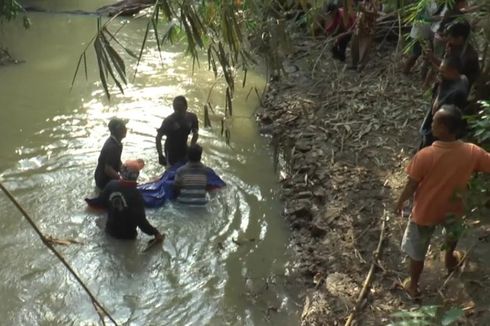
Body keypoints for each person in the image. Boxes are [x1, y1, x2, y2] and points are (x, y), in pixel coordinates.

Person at [395, 105, 490, 299]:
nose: (431, 123)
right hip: (454, 207)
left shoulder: (425, 155)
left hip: (425, 211)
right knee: (452, 233)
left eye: (435, 121)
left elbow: (411, 185)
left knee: (418, 249)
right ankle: (449, 260)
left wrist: (400, 202)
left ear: (445, 129)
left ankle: (413, 285)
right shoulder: (472, 151)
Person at [87, 160, 164, 241]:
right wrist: (155, 233)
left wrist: (88, 201)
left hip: (110, 232)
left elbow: (99, 202)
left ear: (122, 172)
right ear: (136, 175)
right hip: (127, 237)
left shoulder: (111, 185)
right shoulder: (136, 195)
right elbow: (141, 222)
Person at [419, 55, 469, 148]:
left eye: (443, 71)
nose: (439, 73)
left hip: (442, 127)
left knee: (429, 145)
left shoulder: (457, 92)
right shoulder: (458, 78)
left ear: (454, 71)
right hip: (436, 120)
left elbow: (449, 117)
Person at [156, 96, 199, 167]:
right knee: (172, 172)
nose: (177, 110)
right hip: (171, 151)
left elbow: (195, 133)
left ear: (186, 107)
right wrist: (160, 155)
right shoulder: (168, 121)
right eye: (175, 108)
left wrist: (192, 147)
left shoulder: (192, 118)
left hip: (184, 149)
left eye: (180, 108)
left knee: (186, 170)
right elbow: (158, 138)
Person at [402, 0, 439, 76]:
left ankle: (424, 74)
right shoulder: (423, 3)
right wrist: (435, 18)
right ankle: (405, 72)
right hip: (419, 31)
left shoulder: (435, 2)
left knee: (428, 54)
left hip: (429, 31)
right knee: (416, 53)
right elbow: (420, 17)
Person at [444, 21, 480, 89]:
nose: (448, 40)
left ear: (460, 38)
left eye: (451, 38)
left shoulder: (470, 55)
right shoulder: (452, 46)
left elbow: (451, 72)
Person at [94, 118, 127, 189]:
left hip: (107, 177)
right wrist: (122, 180)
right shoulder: (111, 147)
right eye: (122, 127)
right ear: (117, 131)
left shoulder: (118, 143)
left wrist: (125, 173)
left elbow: (117, 161)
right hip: (103, 181)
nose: (125, 129)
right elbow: (108, 169)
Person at [350, 0, 378, 71]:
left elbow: (375, 13)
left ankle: (360, 66)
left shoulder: (374, 3)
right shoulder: (363, 2)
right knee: (354, 46)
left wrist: (365, 11)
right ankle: (354, 64)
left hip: (368, 28)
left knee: (364, 48)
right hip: (359, 28)